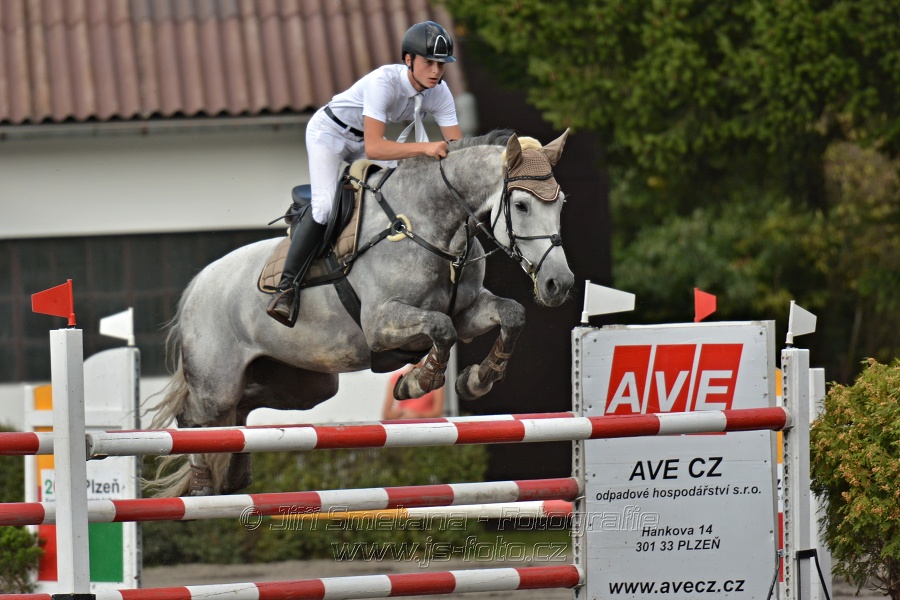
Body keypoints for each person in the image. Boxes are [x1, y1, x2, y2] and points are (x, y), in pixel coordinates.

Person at [267, 20, 464, 326]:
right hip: (330, 134)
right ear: (408, 60)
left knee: (400, 185)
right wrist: (424, 149)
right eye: (428, 63)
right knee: (324, 208)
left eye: (441, 65)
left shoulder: (440, 92)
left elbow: (457, 148)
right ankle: (286, 288)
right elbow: (375, 148)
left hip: (360, 141)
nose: (436, 72)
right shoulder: (383, 82)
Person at [382, 360, 446, 419]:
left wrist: (417, 416)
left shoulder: (434, 378)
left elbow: (438, 412)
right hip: (404, 423)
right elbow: (386, 414)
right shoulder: (397, 377)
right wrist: (402, 413)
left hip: (425, 425)